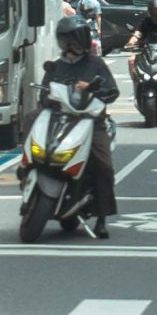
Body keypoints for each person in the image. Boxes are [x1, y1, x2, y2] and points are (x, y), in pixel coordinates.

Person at [37, 15, 122, 237]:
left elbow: (112, 91)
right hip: (60, 120)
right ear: (65, 41)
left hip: (91, 122)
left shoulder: (96, 64)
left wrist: (92, 89)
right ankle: (26, 173)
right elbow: (43, 94)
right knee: (33, 128)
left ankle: (102, 218)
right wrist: (50, 100)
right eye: (74, 39)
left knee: (103, 166)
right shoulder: (56, 66)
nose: (79, 43)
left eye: (81, 38)